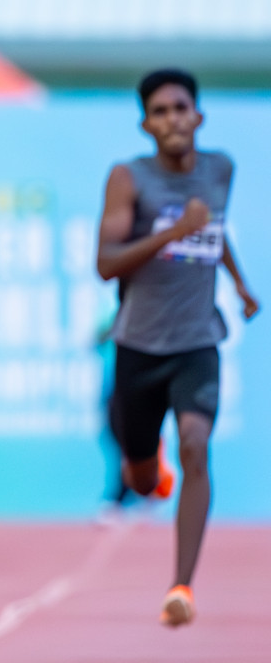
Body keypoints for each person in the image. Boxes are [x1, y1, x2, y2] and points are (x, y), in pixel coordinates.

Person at [96, 68, 258, 627]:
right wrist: (172, 231)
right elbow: (105, 264)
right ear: (146, 124)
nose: (172, 119)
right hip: (139, 346)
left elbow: (213, 228)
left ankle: (181, 585)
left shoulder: (221, 169)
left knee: (195, 443)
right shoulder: (128, 178)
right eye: (159, 112)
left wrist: (237, 282)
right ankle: (150, 470)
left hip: (197, 339)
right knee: (142, 479)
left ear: (198, 116)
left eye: (180, 107)